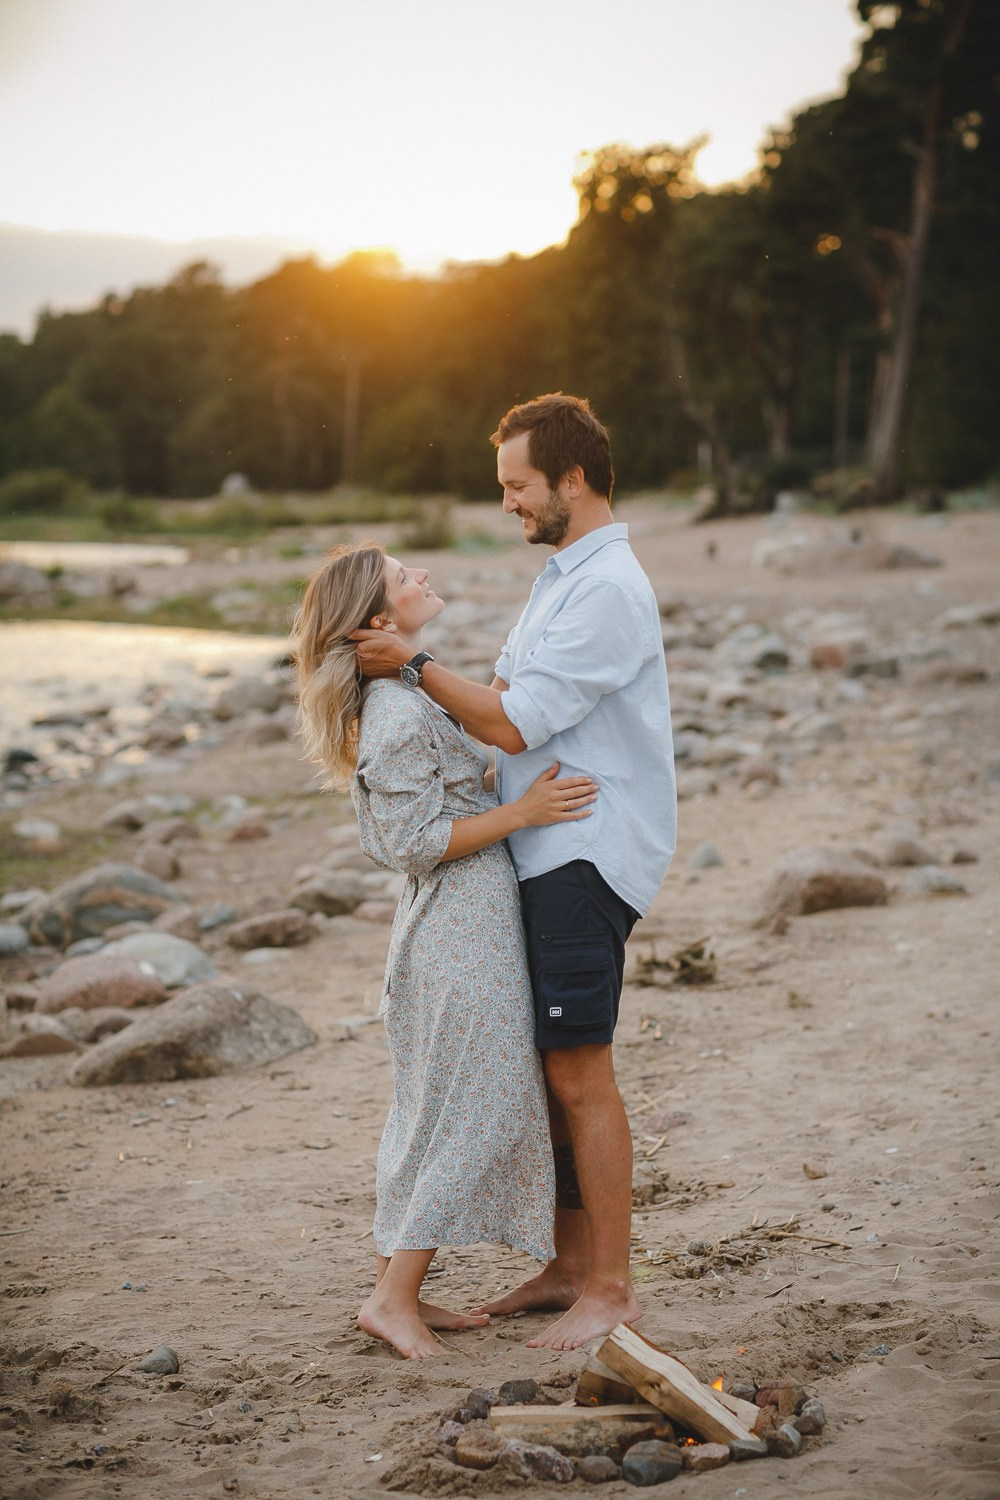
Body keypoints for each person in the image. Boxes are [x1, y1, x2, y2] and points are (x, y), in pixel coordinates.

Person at [353, 394, 676, 1351]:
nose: (508, 505)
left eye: (518, 487)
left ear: (570, 480)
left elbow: (516, 720)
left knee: (581, 1073)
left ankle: (611, 1286)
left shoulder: (609, 590)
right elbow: (499, 696)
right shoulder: (563, 576)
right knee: (550, 1071)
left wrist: (410, 666)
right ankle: (569, 1266)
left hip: (584, 848)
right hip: (541, 847)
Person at [294, 541, 599, 1359]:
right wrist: (523, 813)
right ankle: (392, 1299)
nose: (422, 575)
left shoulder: (407, 690)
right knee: (470, 1108)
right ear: (378, 621)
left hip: (470, 923)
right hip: (458, 933)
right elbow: (414, 839)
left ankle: (403, 1294)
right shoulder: (393, 708)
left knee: (444, 1109)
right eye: (403, 578)